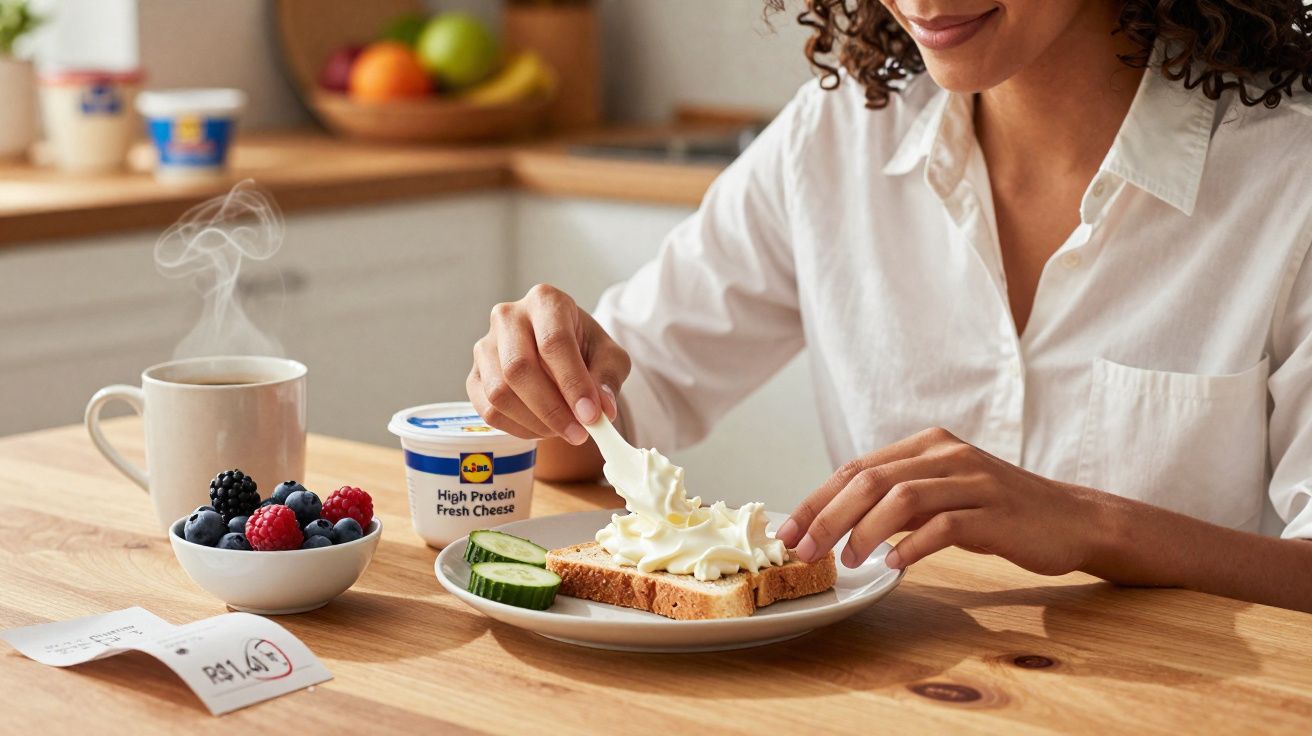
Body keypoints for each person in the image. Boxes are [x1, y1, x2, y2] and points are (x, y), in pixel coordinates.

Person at [466, 1, 1312, 611]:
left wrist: (1092, 525)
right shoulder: (835, 138)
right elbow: (589, 439)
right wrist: (542, 377)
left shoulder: (1289, 179)